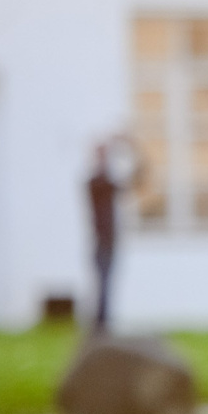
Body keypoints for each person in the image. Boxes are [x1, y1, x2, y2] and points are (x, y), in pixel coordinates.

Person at [83, 140, 121, 335]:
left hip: (110, 240)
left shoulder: (107, 182)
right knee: (102, 282)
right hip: (101, 240)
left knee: (106, 282)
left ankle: (102, 323)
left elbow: (139, 177)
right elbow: (106, 181)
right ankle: (100, 324)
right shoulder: (95, 183)